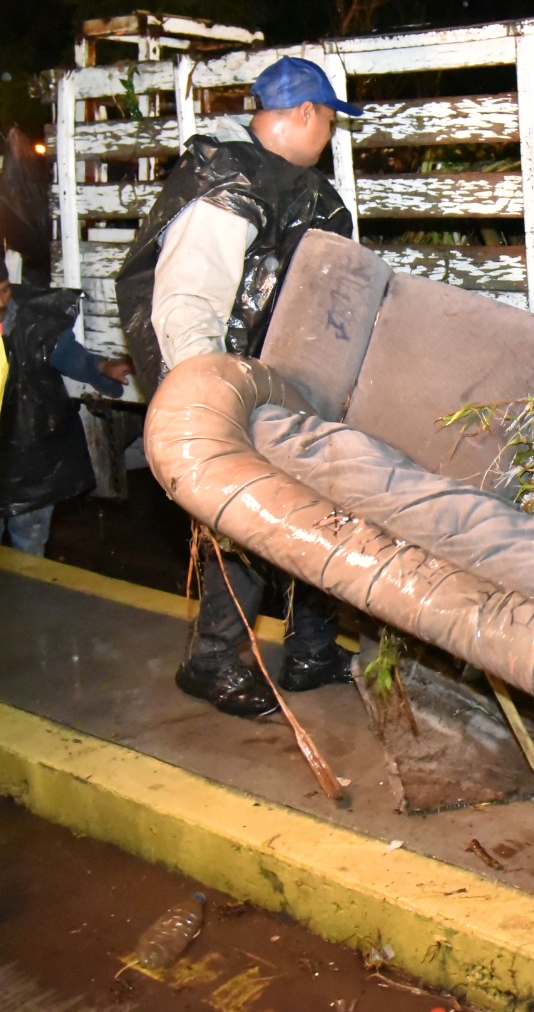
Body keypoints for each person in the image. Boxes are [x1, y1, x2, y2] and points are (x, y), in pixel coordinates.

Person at [116, 56, 365, 718]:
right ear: (308, 113)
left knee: (313, 514)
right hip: (232, 392)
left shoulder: (298, 189)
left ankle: (311, 649)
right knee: (245, 522)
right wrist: (208, 406)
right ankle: (213, 661)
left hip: (286, 387)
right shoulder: (232, 183)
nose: (331, 137)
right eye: (331, 123)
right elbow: (187, 303)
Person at [0, 252, 131, 553]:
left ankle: (29, 598)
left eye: (5, 290)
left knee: (29, 544)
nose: (1, 302)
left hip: (31, 458)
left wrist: (102, 367)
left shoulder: (32, 320)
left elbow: (67, 354)